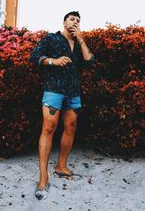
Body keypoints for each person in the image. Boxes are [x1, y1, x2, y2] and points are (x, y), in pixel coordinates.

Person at [28, 11, 96, 200]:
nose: (75, 22)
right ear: (64, 22)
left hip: (73, 92)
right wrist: (53, 61)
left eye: (78, 20)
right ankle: (43, 177)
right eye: (72, 19)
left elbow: (90, 61)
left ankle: (61, 166)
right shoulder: (51, 38)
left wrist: (81, 39)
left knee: (71, 127)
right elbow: (34, 57)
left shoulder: (78, 44)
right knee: (49, 128)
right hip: (53, 90)